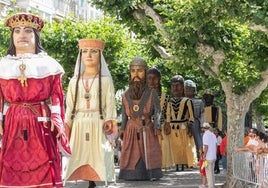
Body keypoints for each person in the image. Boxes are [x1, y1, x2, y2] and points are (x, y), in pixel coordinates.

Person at [0, 12, 71, 187]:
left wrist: (56, 118)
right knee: (10, 162)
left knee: (44, 161)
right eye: (17, 31)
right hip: (12, 123)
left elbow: (56, 95)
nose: (22, 35)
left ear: (36, 36)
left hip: (41, 122)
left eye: (28, 31)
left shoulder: (49, 64)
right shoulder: (2, 65)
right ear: (12, 36)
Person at [63, 39, 118, 188]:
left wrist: (111, 130)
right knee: (78, 154)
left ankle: (95, 180)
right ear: (80, 55)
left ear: (100, 55)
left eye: (93, 51)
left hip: (98, 123)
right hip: (79, 123)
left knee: (99, 154)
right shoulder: (74, 81)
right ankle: (84, 178)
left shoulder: (106, 81)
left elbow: (110, 106)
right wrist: (66, 127)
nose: (89, 55)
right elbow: (69, 107)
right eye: (85, 51)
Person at [119, 56, 162, 181]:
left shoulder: (152, 93)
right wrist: (122, 129)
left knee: (149, 151)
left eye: (140, 71)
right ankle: (130, 174)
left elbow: (157, 111)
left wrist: (157, 125)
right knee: (130, 153)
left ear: (145, 72)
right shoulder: (125, 95)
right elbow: (123, 114)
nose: (136, 74)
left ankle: (151, 173)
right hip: (131, 129)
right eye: (133, 71)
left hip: (146, 128)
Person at [168, 75, 197, 171]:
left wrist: (190, 127)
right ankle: (176, 163)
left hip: (184, 126)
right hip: (173, 128)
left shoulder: (187, 101)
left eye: (178, 85)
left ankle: (185, 163)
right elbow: (167, 115)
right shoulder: (169, 101)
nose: (175, 88)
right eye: (173, 86)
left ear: (182, 87)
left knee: (185, 146)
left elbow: (192, 116)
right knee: (175, 147)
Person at [147, 67, 174, 170]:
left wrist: (168, 123)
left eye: (155, 78)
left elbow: (168, 112)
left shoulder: (165, 97)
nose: (152, 81)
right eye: (149, 78)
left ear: (159, 80)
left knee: (163, 146)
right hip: (149, 127)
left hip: (162, 127)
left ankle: (162, 165)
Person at [184, 79, 204, 160]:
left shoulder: (199, 102)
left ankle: (200, 156)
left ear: (194, 90)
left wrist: (203, 125)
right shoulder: (182, 101)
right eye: (186, 89)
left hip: (195, 122)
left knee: (198, 139)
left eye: (190, 89)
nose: (188, 91)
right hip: (183, 122)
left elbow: (202, 114)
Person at [201, 122, 217, 188]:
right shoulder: (213, 134)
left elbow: (206, 146)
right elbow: (216, 145)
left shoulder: (205, 135)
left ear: (203, 128)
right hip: (213, 156)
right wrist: (215, 153)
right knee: (212, 173)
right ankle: (212, 185)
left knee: (209, 174)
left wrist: (204, 156)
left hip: (208, 157)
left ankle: (211, 186)